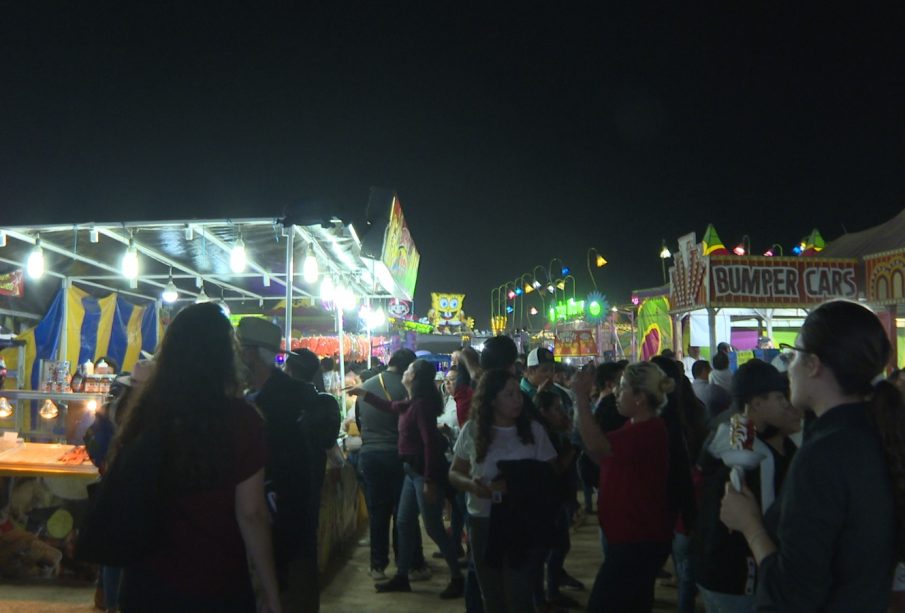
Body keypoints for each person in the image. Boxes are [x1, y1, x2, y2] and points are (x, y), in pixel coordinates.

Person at [721, 300, 905, 611]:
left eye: (793, 354)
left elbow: (792, 594)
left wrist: (750, 525)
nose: (788, 366)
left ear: (814, 364)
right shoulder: (877, 434)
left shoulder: (825, 456)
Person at [113, 303, 280, 612]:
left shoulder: (145, 410)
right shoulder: (242, 420)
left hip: (145, 583)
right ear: (225, 355)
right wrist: (271, 590)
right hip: (215, 581)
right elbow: (252, 513)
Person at [238, 321, 338, 613]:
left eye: (237, 349)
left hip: (283, 533)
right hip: (276, 532)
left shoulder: (293, 401)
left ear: (249, 354)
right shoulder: (253, 397)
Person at [349, 359, 465, 598]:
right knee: (403, 523)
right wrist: (363, 393)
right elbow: (390, 406)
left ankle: (457, 576)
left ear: (414, 377)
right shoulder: (412, 403)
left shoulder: (420, 406)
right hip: (411, 473)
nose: (405, 372)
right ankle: (402, 575)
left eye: (409, 369)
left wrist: (431, 482)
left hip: (422, 474)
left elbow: (430, 444)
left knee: (433, 528)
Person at [693, 358, 802, 612]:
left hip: (732, 573)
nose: (791, 405)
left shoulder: (781, 448)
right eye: (781, 398)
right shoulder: (746, 453)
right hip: (737, 578)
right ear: (756, 404)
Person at [449, 369, 557, 612]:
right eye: (509, 394)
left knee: (520, 596)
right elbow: (455, 473)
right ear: (491, 399)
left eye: (518, 393)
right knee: (493, 596)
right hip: (483, 522)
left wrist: (521, 483)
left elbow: (550, 475)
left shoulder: (533, 431)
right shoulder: (473, 430)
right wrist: (473, 485)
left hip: (523, 522)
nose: (518, 400)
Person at [573, 361, 675, 612]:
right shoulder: (637, 427)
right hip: (637, 538)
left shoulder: (646, 432)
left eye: (623, 388)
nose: (617, 393)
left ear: (640, 397)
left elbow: (597, 447)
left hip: (635, 542)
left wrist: (580, 398)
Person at [355, 348, 429, 581]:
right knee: (404, 513)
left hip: (370, 455)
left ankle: (377, 566)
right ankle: (411, 563)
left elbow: (358, 421)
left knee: (378, 512)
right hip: (399, 456)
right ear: (409, 368)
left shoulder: (365, 387)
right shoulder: (408, 390)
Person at [534, 390, 582, 610]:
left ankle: (549, 592)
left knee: (558, 546)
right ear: (542, 411)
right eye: (555, 408)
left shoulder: (553, 431)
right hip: (548, 501)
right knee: (549, 549)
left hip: (558, 499)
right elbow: (556, 468)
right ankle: (544, 596)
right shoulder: (543, 434)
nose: (560, 413)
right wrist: (573, 448)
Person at [691, 359, 732, 425]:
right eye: (710, 369)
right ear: (704, 371)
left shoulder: (690, 388)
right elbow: (730, 401)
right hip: (714, 427)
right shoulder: (712, 389)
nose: (712, 371)